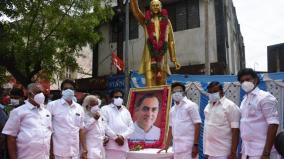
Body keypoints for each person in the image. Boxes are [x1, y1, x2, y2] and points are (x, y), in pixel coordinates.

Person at [130, 0, 181, 86]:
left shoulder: (167, 21)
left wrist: (174, 59)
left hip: (162, 58)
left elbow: (171, 41)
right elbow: (136, 11)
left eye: (157, 5)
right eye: (153, 5)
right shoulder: (146, 21)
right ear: (150, 8)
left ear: (161, 7)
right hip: (149, 56)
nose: (156, 7)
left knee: (162, 84)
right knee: (150, 82)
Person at [2, 83, 52, 159]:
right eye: (38, 92)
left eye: (42, 92)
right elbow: (11, 138)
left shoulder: (46, 113)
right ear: (29, 94)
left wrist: (51, 155)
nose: (41, 95)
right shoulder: (18, 112)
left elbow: (49, 134)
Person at [237, 68, 279, 159]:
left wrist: (266, 154)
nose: (244, 83)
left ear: (255, 80)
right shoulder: (244, 100)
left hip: (261, 152)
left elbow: (273, 125)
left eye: (247, 80)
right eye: (242, 81)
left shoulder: (264, 97)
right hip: (246, 151)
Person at [159, 82, 201, 159]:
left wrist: (195, 145)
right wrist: (167, 145)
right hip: (177, 148)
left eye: (179, 91)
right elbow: (171, 127)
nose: (176, 94)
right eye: (174, 92)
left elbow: (197, 124)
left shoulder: (191, 106)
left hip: (189, 148)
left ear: (184, 93)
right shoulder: (172, 110)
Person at [47, 79, 87, 159]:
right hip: (59, 152)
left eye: (71, 88)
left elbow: (81, 130)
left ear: (74, 91)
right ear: (61, 91)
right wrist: (50, 151)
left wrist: (84, 149)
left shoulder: (79, 108)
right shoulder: (52, 105)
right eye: (65, 89)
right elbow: (48, 130)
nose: (68, 90)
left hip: (75, 152)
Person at [203, 81, 241, 159]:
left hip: (224, 153)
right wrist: (206, 151)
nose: (212, 94)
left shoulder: (230, 106)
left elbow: (235, 131)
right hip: (209, 152)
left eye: (215, 91)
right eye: (210, 92)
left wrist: (233, 152)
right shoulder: (208, 106)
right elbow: (207, 130)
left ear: (222, 92)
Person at [101, 89, 134, 159]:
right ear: (111, 98)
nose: (119, 99)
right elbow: (104, 125)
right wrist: (115, 137)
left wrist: (122, 136)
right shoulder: (105, 109)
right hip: (111, 145)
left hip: (123, 145)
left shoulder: (126, 111)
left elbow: (131, 127)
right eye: (116, 97)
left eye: (120, 97)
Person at [82, 95, 108, 159]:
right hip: (90, 148)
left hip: (101, 147)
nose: (96, 106)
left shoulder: (99, 114)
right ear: (87, 106)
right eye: (93, 104)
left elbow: (101, 128)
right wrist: (93, 119)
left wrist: (105, 137)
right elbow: (83, 130)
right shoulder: (84, 115)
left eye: (97, 104)